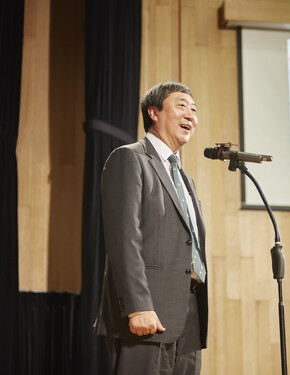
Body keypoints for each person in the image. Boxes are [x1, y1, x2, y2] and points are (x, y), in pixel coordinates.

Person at [94, 81, 208, 375]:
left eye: (194, 110)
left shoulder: (185, 178)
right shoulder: (130, 158)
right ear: (153, 112)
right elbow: (124, 240)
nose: (190, 116)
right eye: (181, 106)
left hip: (188, 315)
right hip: (146, 313)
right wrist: (137, 306)